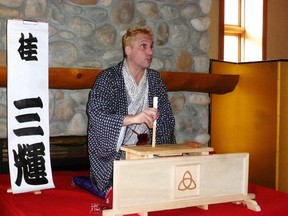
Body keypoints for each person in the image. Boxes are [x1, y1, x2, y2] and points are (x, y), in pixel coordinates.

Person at [74, 25, 176, 207]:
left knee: (172, 177)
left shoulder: (155, 79)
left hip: (147, 153)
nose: (150, 51)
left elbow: (168, 118)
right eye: (144, 46)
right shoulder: (108, 78)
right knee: (125, 186)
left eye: (151, 46)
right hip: (117, 153)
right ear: (128, 50)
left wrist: (157, 124)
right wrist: (133, 118)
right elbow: (96, 114)